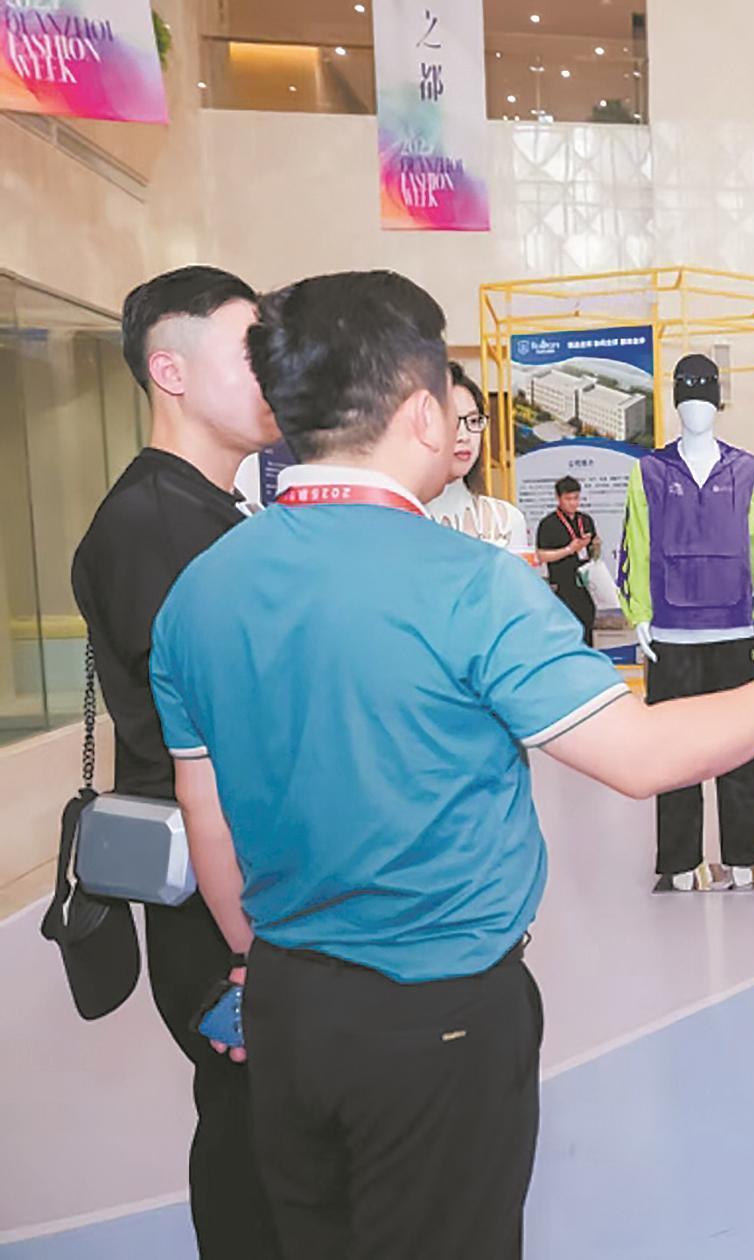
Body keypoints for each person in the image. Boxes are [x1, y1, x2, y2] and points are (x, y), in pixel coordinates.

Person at [147, 271, 754, 1259]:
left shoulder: (200, 590)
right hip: (439, 1018)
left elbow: (208, 813)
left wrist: (266, 968)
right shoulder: (471, 585)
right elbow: (641, 756)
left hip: (281, 1005)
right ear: (420, 411)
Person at [68, 266, 283, 1259]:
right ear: (172, 371)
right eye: (249, 351)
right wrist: (249, 939)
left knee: (272, 1138)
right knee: (254, 1149)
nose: (272, 373)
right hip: (220, 902)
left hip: (243, 885)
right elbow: (218, 742)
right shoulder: (155, 525)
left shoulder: (203, 512)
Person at [427, 361, 529, 555]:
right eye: (451, 421)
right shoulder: (397, 521)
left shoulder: (506, 522)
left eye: (473, 420)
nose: (464, 436)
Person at [537, 474, 600, 645]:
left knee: (587, 622)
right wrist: (569, 550)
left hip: (585, 583)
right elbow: (541, 555)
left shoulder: (585, 520)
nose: (573, 503)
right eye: (568, 499)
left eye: (576, 498)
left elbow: (593, 551)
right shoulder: (549, 524)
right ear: (558, 498)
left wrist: (595, 546)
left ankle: (587, 657)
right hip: (562, 584)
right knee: (568, 628)